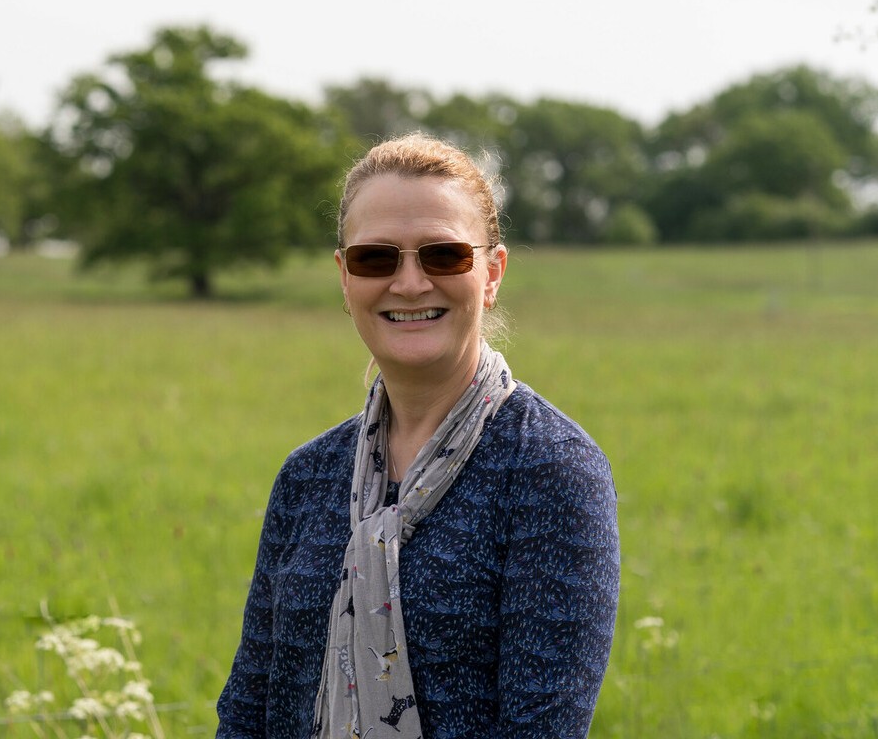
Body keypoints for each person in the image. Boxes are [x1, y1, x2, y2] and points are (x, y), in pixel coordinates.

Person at [216, 133, 620, 739]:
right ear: (344, 277)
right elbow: (248, 710)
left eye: (443, 255)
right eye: (376, 258)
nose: (409, 283)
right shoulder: (307, 477)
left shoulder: (551, 470)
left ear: (492, 272)